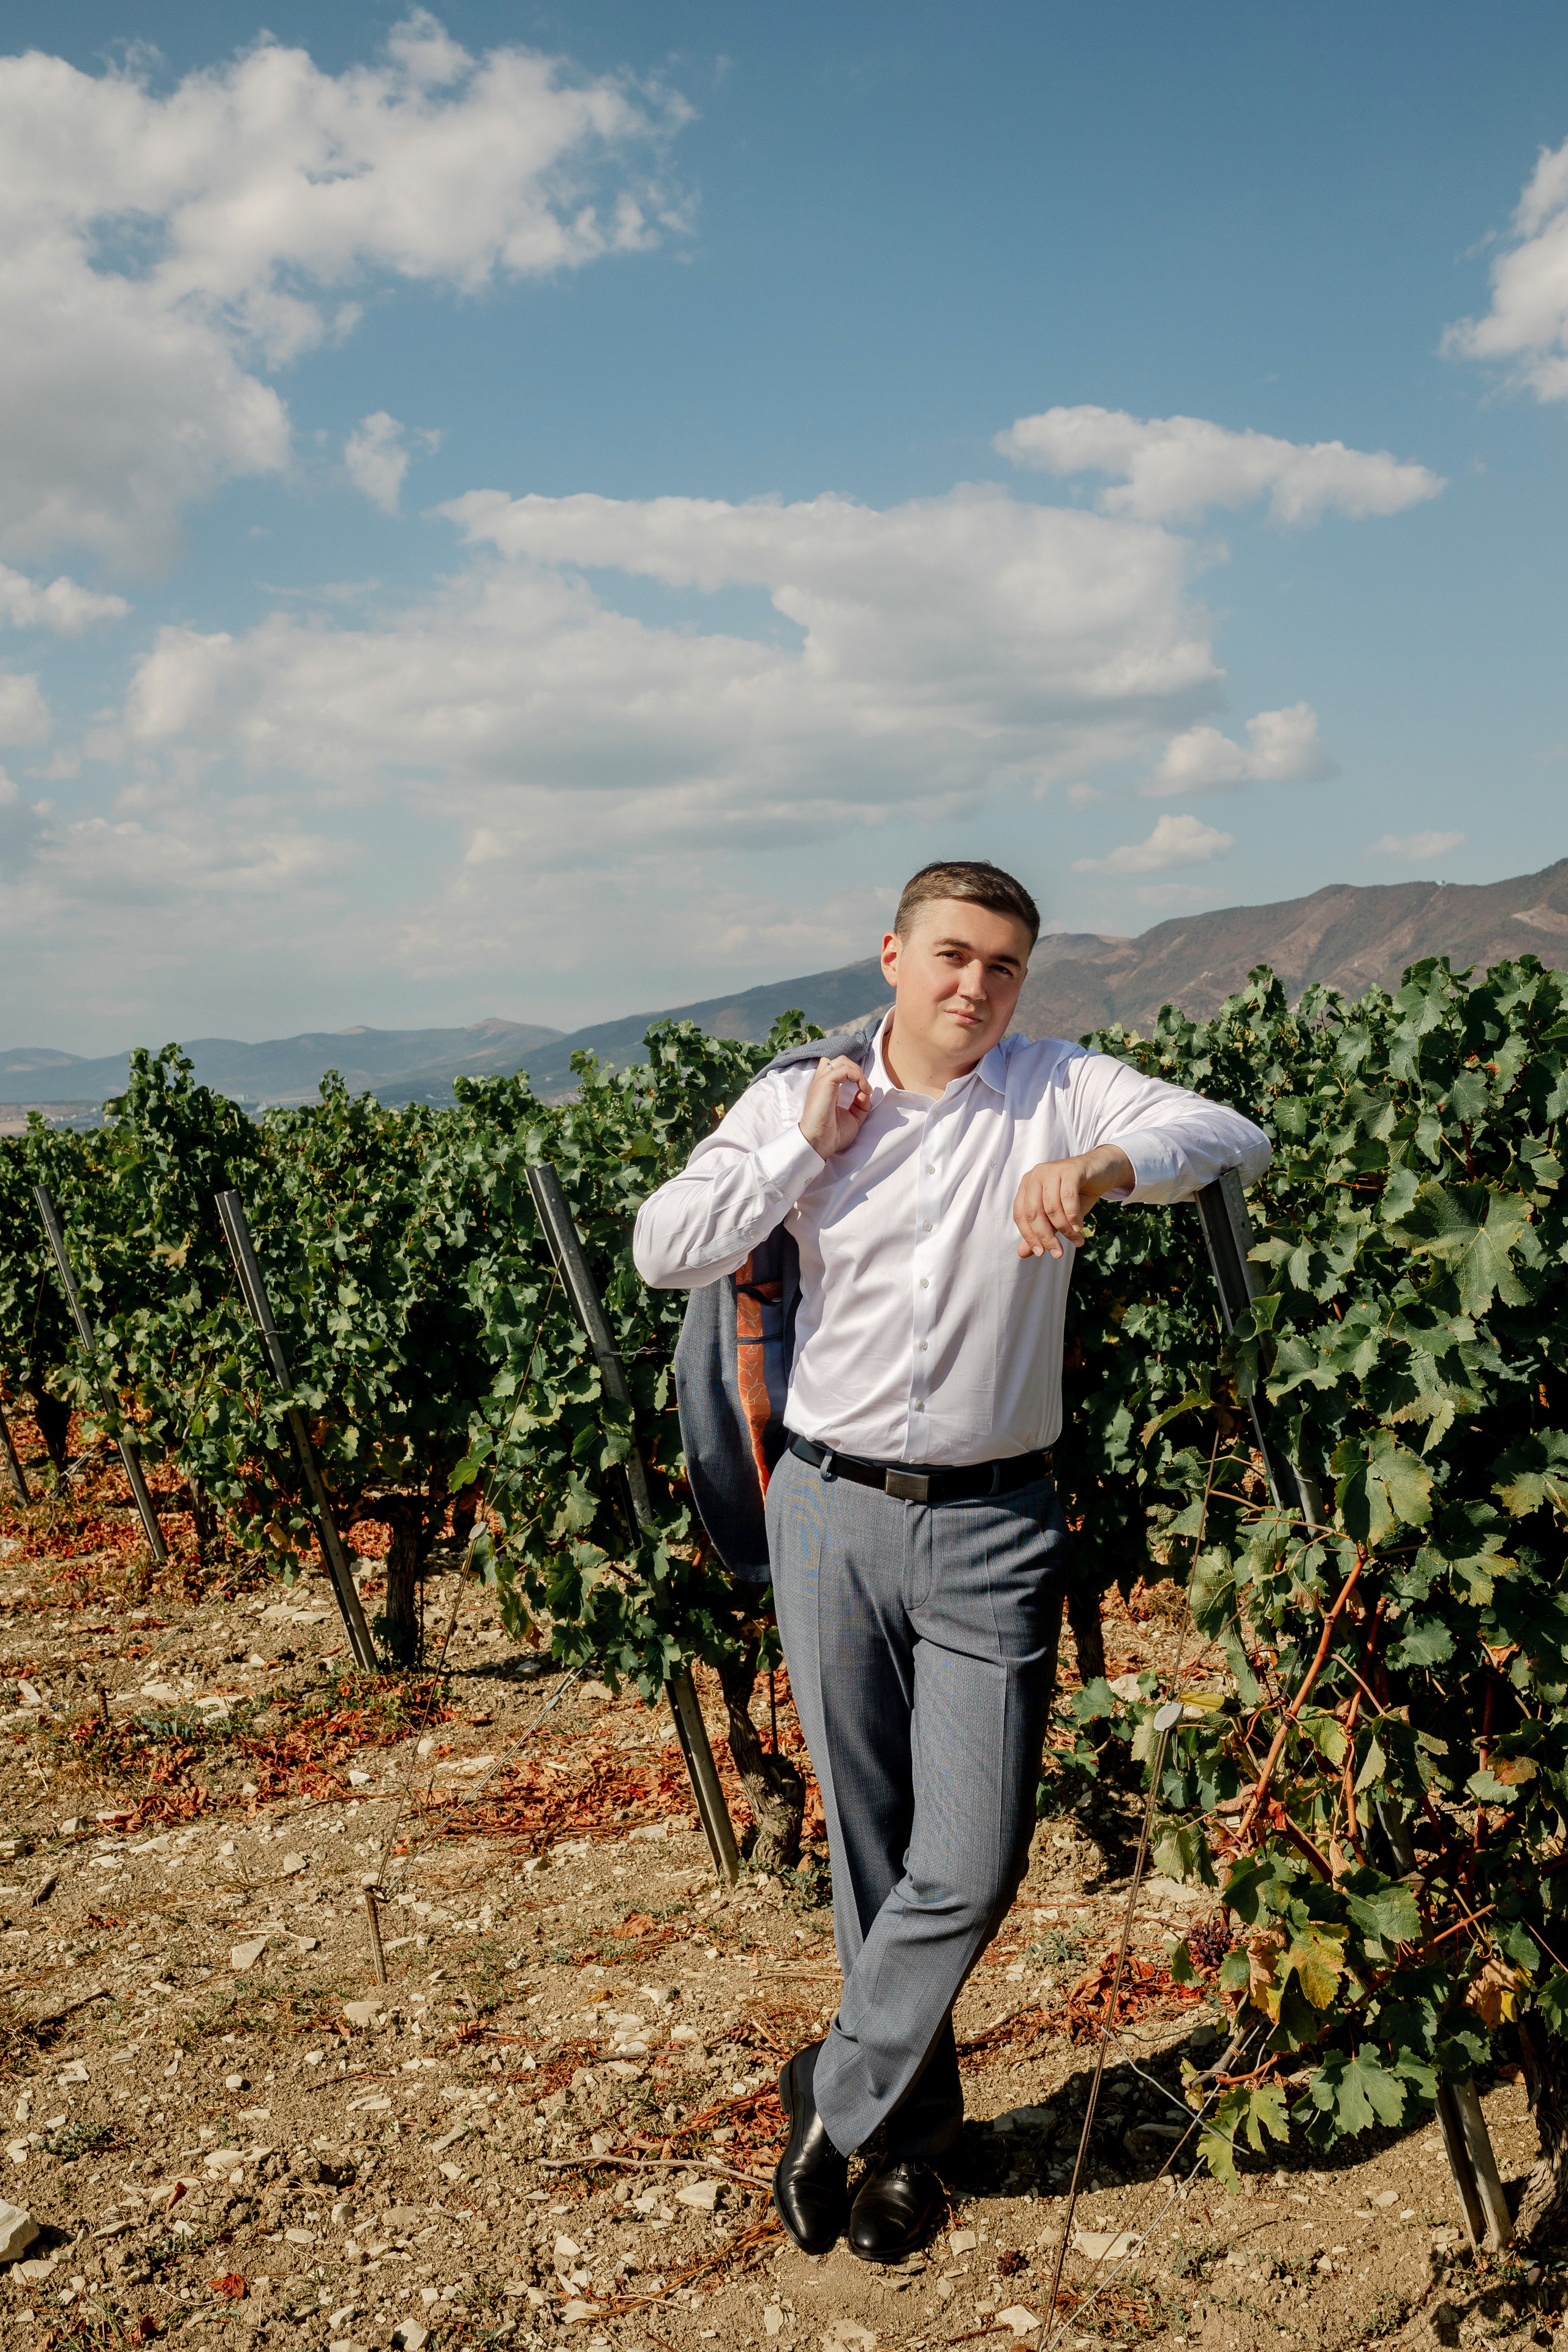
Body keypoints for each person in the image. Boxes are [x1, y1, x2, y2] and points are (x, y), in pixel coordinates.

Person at [632, 859, 1270, 2263]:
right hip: (825, 1508)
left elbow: (1227, 1133)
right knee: (870, 1850)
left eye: (1001, 965)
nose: (974, 985)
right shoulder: (794, 1100)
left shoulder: (1058, 1087)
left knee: (969, 1860)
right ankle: (910, 2153)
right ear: (890, 955)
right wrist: (801, 1148)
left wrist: (1100, 1165)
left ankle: (835, 2095)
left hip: (993, 1520)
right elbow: (660, 1250)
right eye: (951, 955)